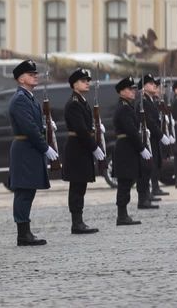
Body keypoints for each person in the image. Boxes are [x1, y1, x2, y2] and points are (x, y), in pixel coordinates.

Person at [8, 59, 57, 246]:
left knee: (28, 191)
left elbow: (35, 124)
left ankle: (25, 231)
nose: (35, 76)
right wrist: (45, 147)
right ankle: (23, 234)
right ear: (21, 79)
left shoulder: (28, 97)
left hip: (30, 149)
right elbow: (29, 128)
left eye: (35, 74)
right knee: (23, 191)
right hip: (25, 149)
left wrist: (46, 126)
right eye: (31, 74)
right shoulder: (20, 100)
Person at [61, 68, 102, 234]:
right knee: (77, 185)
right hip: (77, 148)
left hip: (81, 148)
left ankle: (79, 220)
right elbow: (81, 130)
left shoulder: (82, 102)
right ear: (75, 85)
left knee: (81, 185)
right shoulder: (74, 104)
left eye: (88, 80)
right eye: (83, 80)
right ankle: (76, 222)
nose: (87, 83)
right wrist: (94, 147)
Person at [111, 76, 149, 224]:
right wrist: (141, 148)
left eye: (134, 89)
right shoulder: (123, 109)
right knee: (124, 182)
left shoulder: (128, 106)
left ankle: (124, 214)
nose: (133, 92)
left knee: (127, 181)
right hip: (125, 148)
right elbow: (131, 131)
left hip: (128, 147)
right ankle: (122, 215)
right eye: (129, 90)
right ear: (121, 92)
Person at [138, 74, 166, 208]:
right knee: (147, 167)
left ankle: (148, 194)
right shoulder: (143, 102)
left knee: (153, 165)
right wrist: (161, 135)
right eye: (150, 83)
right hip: (148, 139)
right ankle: (144, 197)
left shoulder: (149, 101)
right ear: (143, 87)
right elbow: (149, 121)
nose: (154, 85)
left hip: (153, 138)